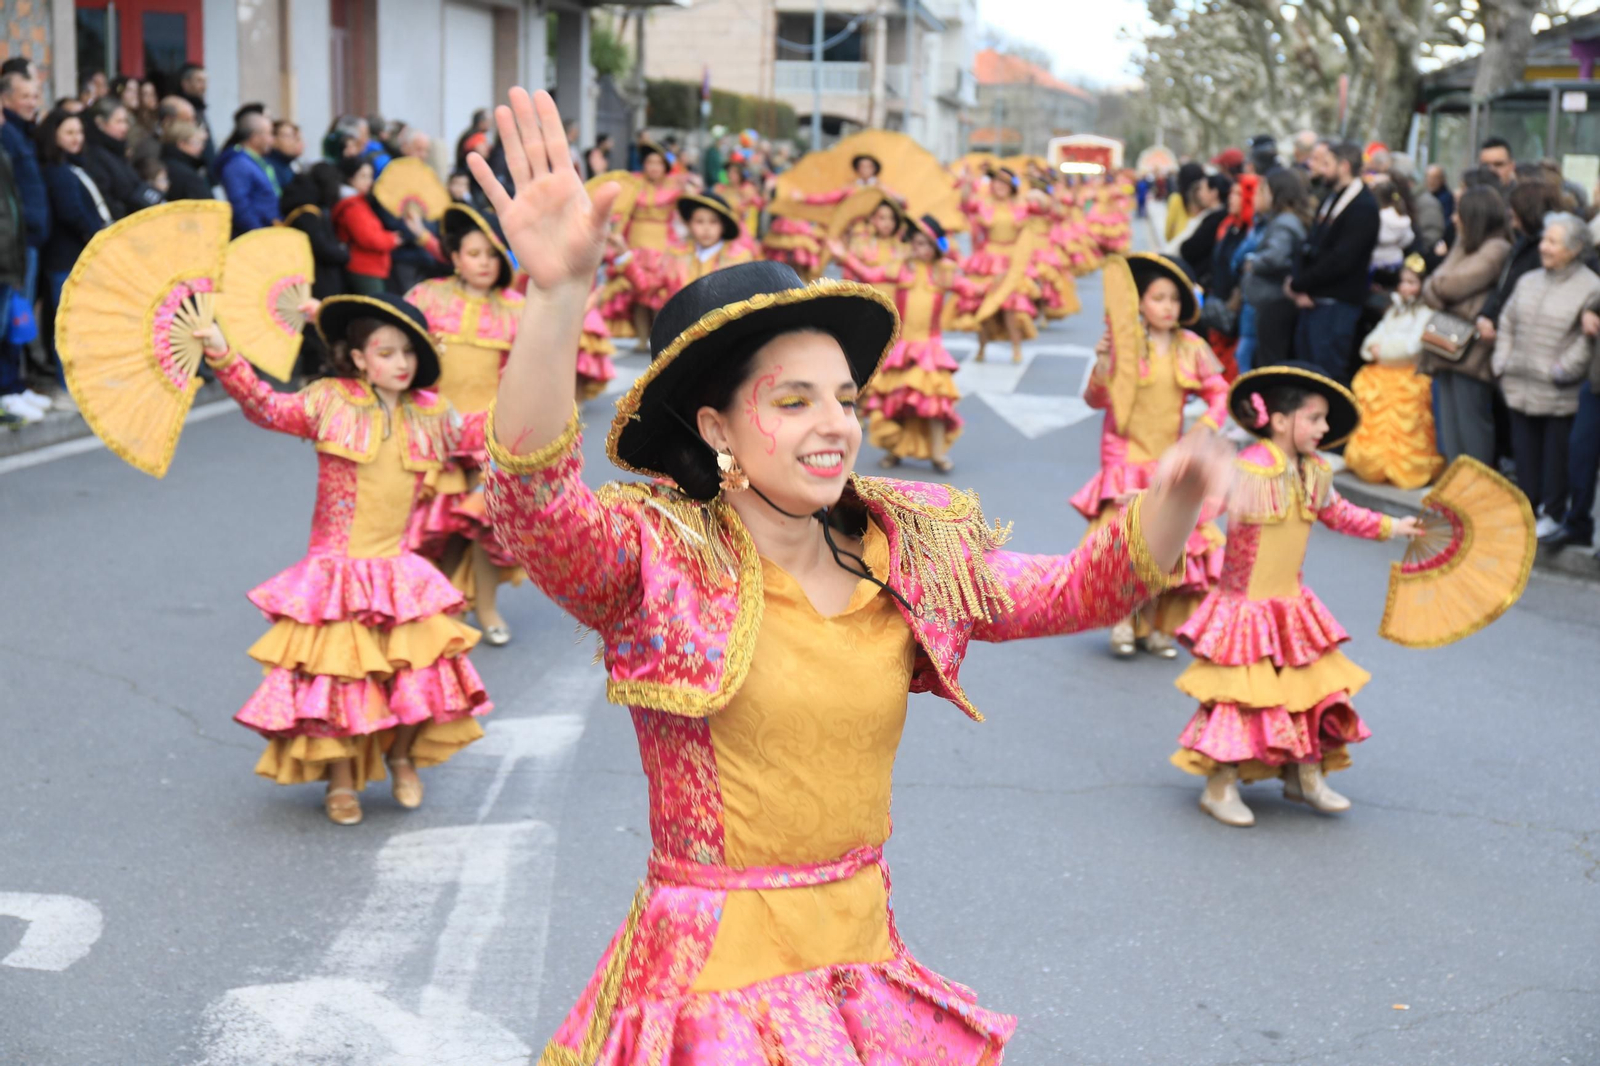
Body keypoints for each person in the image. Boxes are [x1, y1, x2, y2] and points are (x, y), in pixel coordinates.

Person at [466, 86, 1231, 1061]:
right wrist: (556, 297)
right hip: (715, 988)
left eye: (844, 397)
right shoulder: (657, 558)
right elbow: (532, 505)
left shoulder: (902, 548)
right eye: (793, 399)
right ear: (716, 426)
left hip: (857, 962)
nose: (836, 423)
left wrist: (1173, 494)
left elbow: (1077, 591)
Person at [192, 295, 492, 825]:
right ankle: (342, 779)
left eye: (408, 353)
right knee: (343, 683)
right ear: (358, 358)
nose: (401, 363)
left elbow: (483, 432)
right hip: (336, 572)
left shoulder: (431, 413)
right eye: (386, 352)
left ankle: (401, 756)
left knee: (416, 676)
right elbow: (266, 406)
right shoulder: (329, 400)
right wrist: (221, 352)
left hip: (400, 570)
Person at [1173, 364, 1422, 826]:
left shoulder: (1316, 472)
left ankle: (1302, 776)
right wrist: (1155, 507)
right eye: (1315, 418)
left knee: (1308, 691)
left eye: (1326, 419)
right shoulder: (1247, 468)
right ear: (1282, 420)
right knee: (1240, 698)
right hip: (1244, 608)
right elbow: (1198, 507)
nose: (1325, 429)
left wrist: (1394, 526)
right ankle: (1219, 785)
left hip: (1290, 606)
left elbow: (1343, 515)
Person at [1073, 253, 1229, 658]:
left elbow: (1220, 393)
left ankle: (1156, 622)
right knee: (1127, 545)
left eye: (1174, 300)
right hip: (1123, 457)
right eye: (1159, 298)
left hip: (1169, 459)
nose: (1167, 307)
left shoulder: (1191, 346)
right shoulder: (1122, 343)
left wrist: (1203, 431)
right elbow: (1096, 400)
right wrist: (1104, 359)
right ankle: (1124, 622)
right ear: (1140, 302)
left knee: (1166, 545)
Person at [832, 214, 973, 473]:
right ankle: (894, 449)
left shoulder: (944, 273)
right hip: (903, 345)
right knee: (895, 401)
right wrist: (844, 256)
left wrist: (986, 287)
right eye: (916, 243)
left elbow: (969, 290)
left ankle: (939, 453)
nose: (920, 249)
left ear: (936, 248)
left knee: (934, 403)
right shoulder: (901, 268)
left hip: (929, 348)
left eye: (927, 244)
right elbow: (868, 273)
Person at [1491, 211, 1600, 535]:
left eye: (1553, 242)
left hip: (1558, 388)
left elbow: (1587, 338)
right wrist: (1503, 360)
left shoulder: (1590, 287)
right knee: (1525, 454)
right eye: (1545, 240)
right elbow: (1507, 321)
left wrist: (1562, 370)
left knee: (1556, 457)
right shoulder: (1529, 280)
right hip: (1518, 383)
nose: (1545, 247)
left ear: (1575, 247)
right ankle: (1526, 510)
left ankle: (1552, 512)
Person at [1419, 185, 1513, 466]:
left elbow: (1447, 286)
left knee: (1471, 430)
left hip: (1471, 352)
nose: (1453, 219)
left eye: (1459, 213)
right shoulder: (1464, 244)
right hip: (1447, 345)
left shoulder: (1497, 249)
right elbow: (1432, 284)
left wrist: (1439, 292)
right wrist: (1439, 290)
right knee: (1450, 431)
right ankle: (1455, 499)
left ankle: (1474, 496)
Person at [1345, 254, 1445, 489]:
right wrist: (1372, 349)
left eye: (1412, 283)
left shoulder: (1426, 314)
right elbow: (1376, 334)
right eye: (1403, 282)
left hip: (1407, 375)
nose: (1405, 288)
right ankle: (1371, 464)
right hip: (1380, 373)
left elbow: (1413, 345)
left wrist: (1385, 351)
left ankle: (1403, 467)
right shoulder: (1394, 311)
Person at [1287, 139, 1380, 384]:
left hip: (1337, 305)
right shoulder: (1331, 198)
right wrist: (1300, 283)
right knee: (1306, 372)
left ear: (1344, 166)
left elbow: (1342, 259)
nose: (1321, 169)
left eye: (1327, 163)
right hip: (1313, 300)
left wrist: (1302, 284)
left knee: (1327, 376)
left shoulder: (1364, 206)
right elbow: (1311, 244)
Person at [37, 109, 111, 377]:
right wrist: (95, 235)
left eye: (79, 132)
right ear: (53, 135)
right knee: (68, 327)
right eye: (69, 132)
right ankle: (68, 382)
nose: (76, 138)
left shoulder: (71, 166)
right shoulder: (57, 171)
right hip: (65, 258)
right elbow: (72, 212)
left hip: (75, 256)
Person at [954, 166, 1050, 364]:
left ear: (1011, 187)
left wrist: (1036, 191)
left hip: (1011, 261)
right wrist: (967, 183)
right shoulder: (983, 204)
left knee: (1010, 306)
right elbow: (964, 204)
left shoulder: (1022, 206)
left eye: (1005, 183)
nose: (1000, 186)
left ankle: (1016, 347)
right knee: (983, 306)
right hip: (987, 260)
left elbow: (1045, 208)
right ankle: (981, 347)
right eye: (997, 182)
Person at [0, 72, 48, 382]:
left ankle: (15, 385)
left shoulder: (25, 134)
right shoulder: (8, 137)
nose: (32, 102)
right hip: (15, 243)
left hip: (25, 241)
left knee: (18, 316)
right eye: (25, 95)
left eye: (35, 95)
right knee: (10, 318)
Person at [332, 155, 432, 295]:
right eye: (363, 176)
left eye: (370, 176)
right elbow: (369, 238)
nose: (369, 181)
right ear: (350, 178)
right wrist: (392, 239)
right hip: (364, 267)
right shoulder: (353, 207)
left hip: (372, 266)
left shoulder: (361, 202)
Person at [1241, 169, 1310, 369]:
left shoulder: (1284, 223)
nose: (1258, 197)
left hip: (1275, 300)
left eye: (1263, 192)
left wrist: (1253, 261)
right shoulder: (1282, 221)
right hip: (1272, 300)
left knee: (1269, 360)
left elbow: (1277, 257)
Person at [281, 163, 350, 300]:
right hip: (318, 279)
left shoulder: (302, 206)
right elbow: (321, 247)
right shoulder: (306, 213)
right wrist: (343, 254)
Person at [78, 97, 149, 219]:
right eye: (119, 121)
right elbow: (106, 200)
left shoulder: (117, 152)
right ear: (100, 123)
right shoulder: (95, 156)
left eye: (126, 121)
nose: (125, 127)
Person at [215, 111, 280, 234]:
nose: (272, 140)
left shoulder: (256, 161)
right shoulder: (238, 164)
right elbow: (240, 206)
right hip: (254, 238)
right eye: (269, 134)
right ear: (255, 137)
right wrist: (258, 233)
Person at [830, 196, 905, 301]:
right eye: (882, 218)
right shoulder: (861, 244)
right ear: (872, 219)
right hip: (866, 302)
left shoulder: (902, 249)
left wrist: (845, 256)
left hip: (893, 302)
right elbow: (848, 277)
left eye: (892, 218)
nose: (887, 223)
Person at [1368, 177, 1414, 275]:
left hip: (1375, 262)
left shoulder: (1376, 216)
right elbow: (1408, 239)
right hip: (1396, 260)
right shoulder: (1402, 216)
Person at [159, 120, 212, 201]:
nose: (202, 147)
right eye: (196, 142)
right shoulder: (186, 174)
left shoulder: (164, 163)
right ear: (181, 144)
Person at [177, 63, 215, 171]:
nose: (204, 87)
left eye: (205, 81)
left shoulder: (199, 110)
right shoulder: (181, 112)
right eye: (199, 81)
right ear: (185, 83)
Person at [266, 120, 302, 190]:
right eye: (288, 136)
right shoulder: (268, 166)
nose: (293, 141)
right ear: (273, 139)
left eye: (294, 137)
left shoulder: (289, 164)